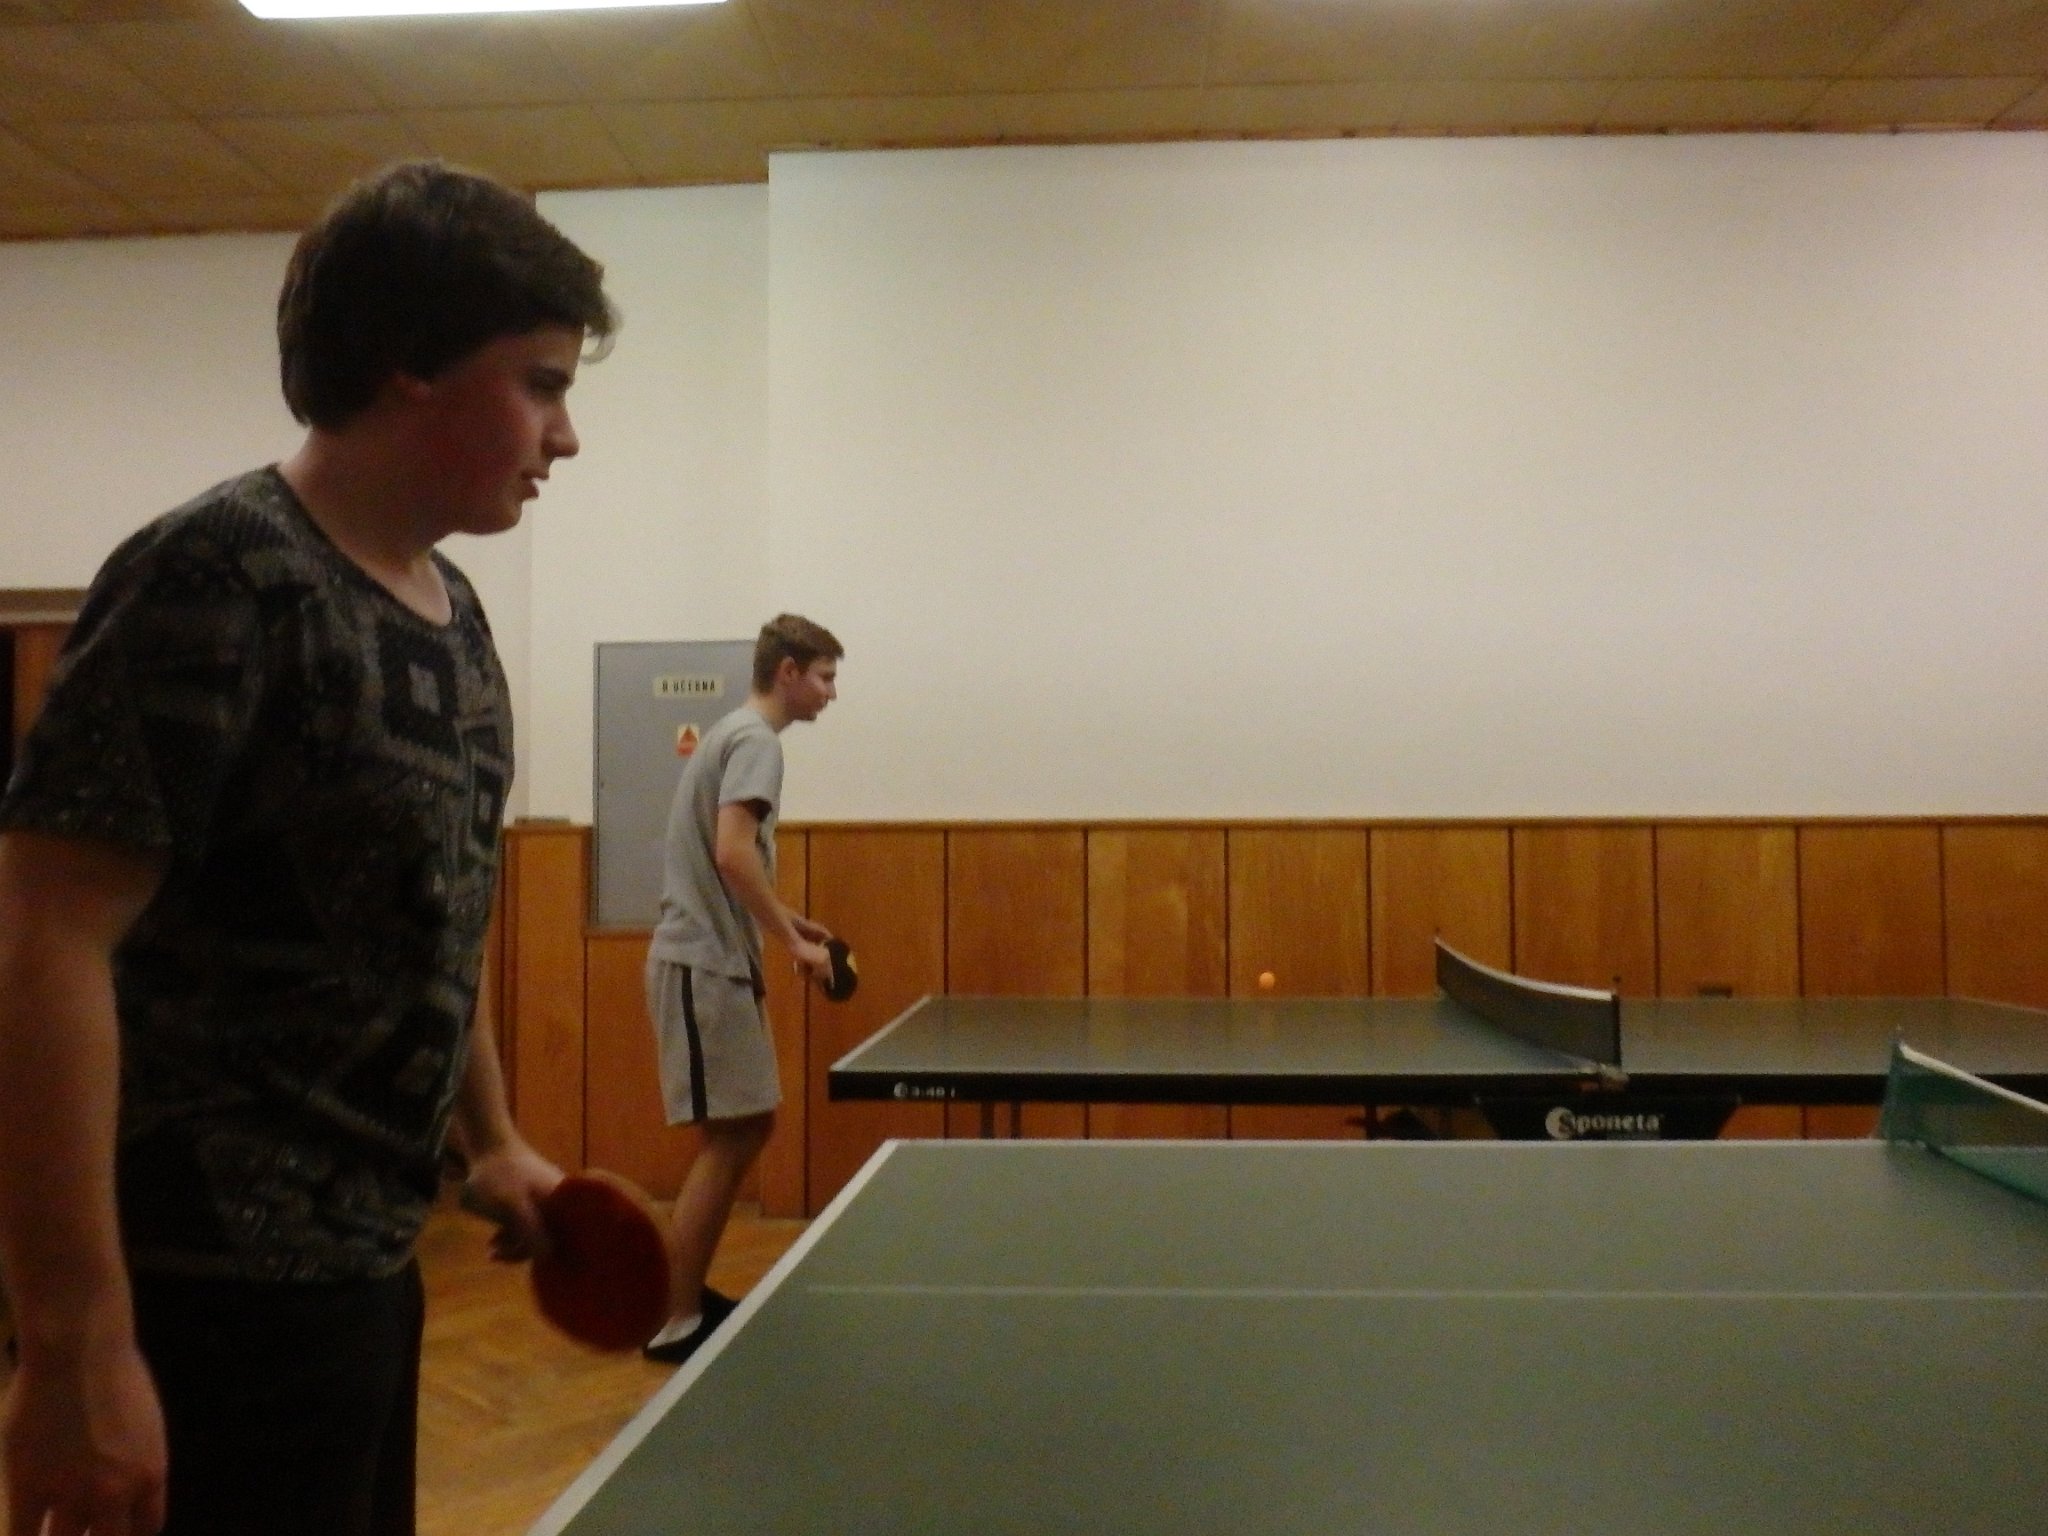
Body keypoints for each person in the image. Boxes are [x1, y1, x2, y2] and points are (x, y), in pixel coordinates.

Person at [0, 159, 617, 1536]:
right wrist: (74, 1344)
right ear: (410, 365)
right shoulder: (212, 576)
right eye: (539, 384)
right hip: (195, 1305)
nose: (565, 436)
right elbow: (43, 945)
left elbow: (431, 918)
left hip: (361, 1278)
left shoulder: (454, 613)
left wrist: (493, 1141)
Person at [642, 614, 843, 1363]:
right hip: (703, 964)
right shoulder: (756, 742)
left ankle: (684, 1298)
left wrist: (785, 919)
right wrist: (791, 943)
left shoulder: (733, 734)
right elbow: (732, 852)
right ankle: (674, 1316)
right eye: (824, 676)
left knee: (745, 1126)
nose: (831, 693)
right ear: (787, 672)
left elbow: (728, 857)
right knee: (735, 1133)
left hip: (713, 961)